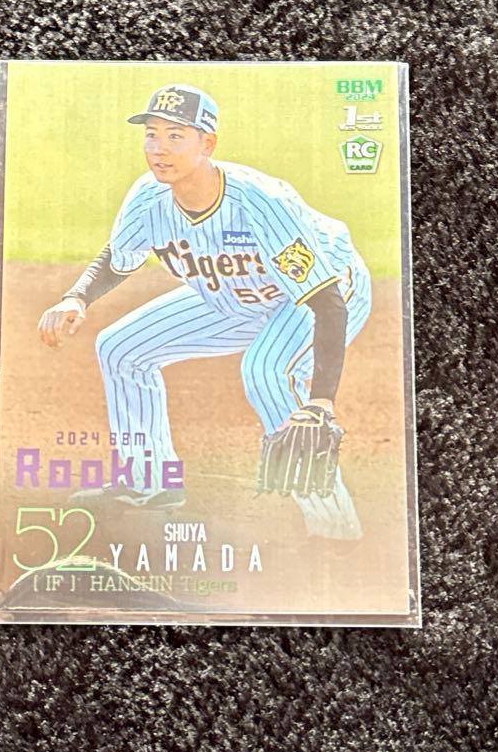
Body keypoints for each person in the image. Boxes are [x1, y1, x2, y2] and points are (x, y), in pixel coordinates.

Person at [37, 84, 372, 540]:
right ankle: (148, 483)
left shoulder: (260, 202)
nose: (159, 149)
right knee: (121, 347)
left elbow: (326, 302)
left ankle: (335, 531)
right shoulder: (148, 198)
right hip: (235, 295)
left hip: (321, 291)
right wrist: (76, 296)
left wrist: (321, 401)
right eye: (152, 135)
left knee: (267, 370)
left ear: (207, 144)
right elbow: (119, 256)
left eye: (176, 136)